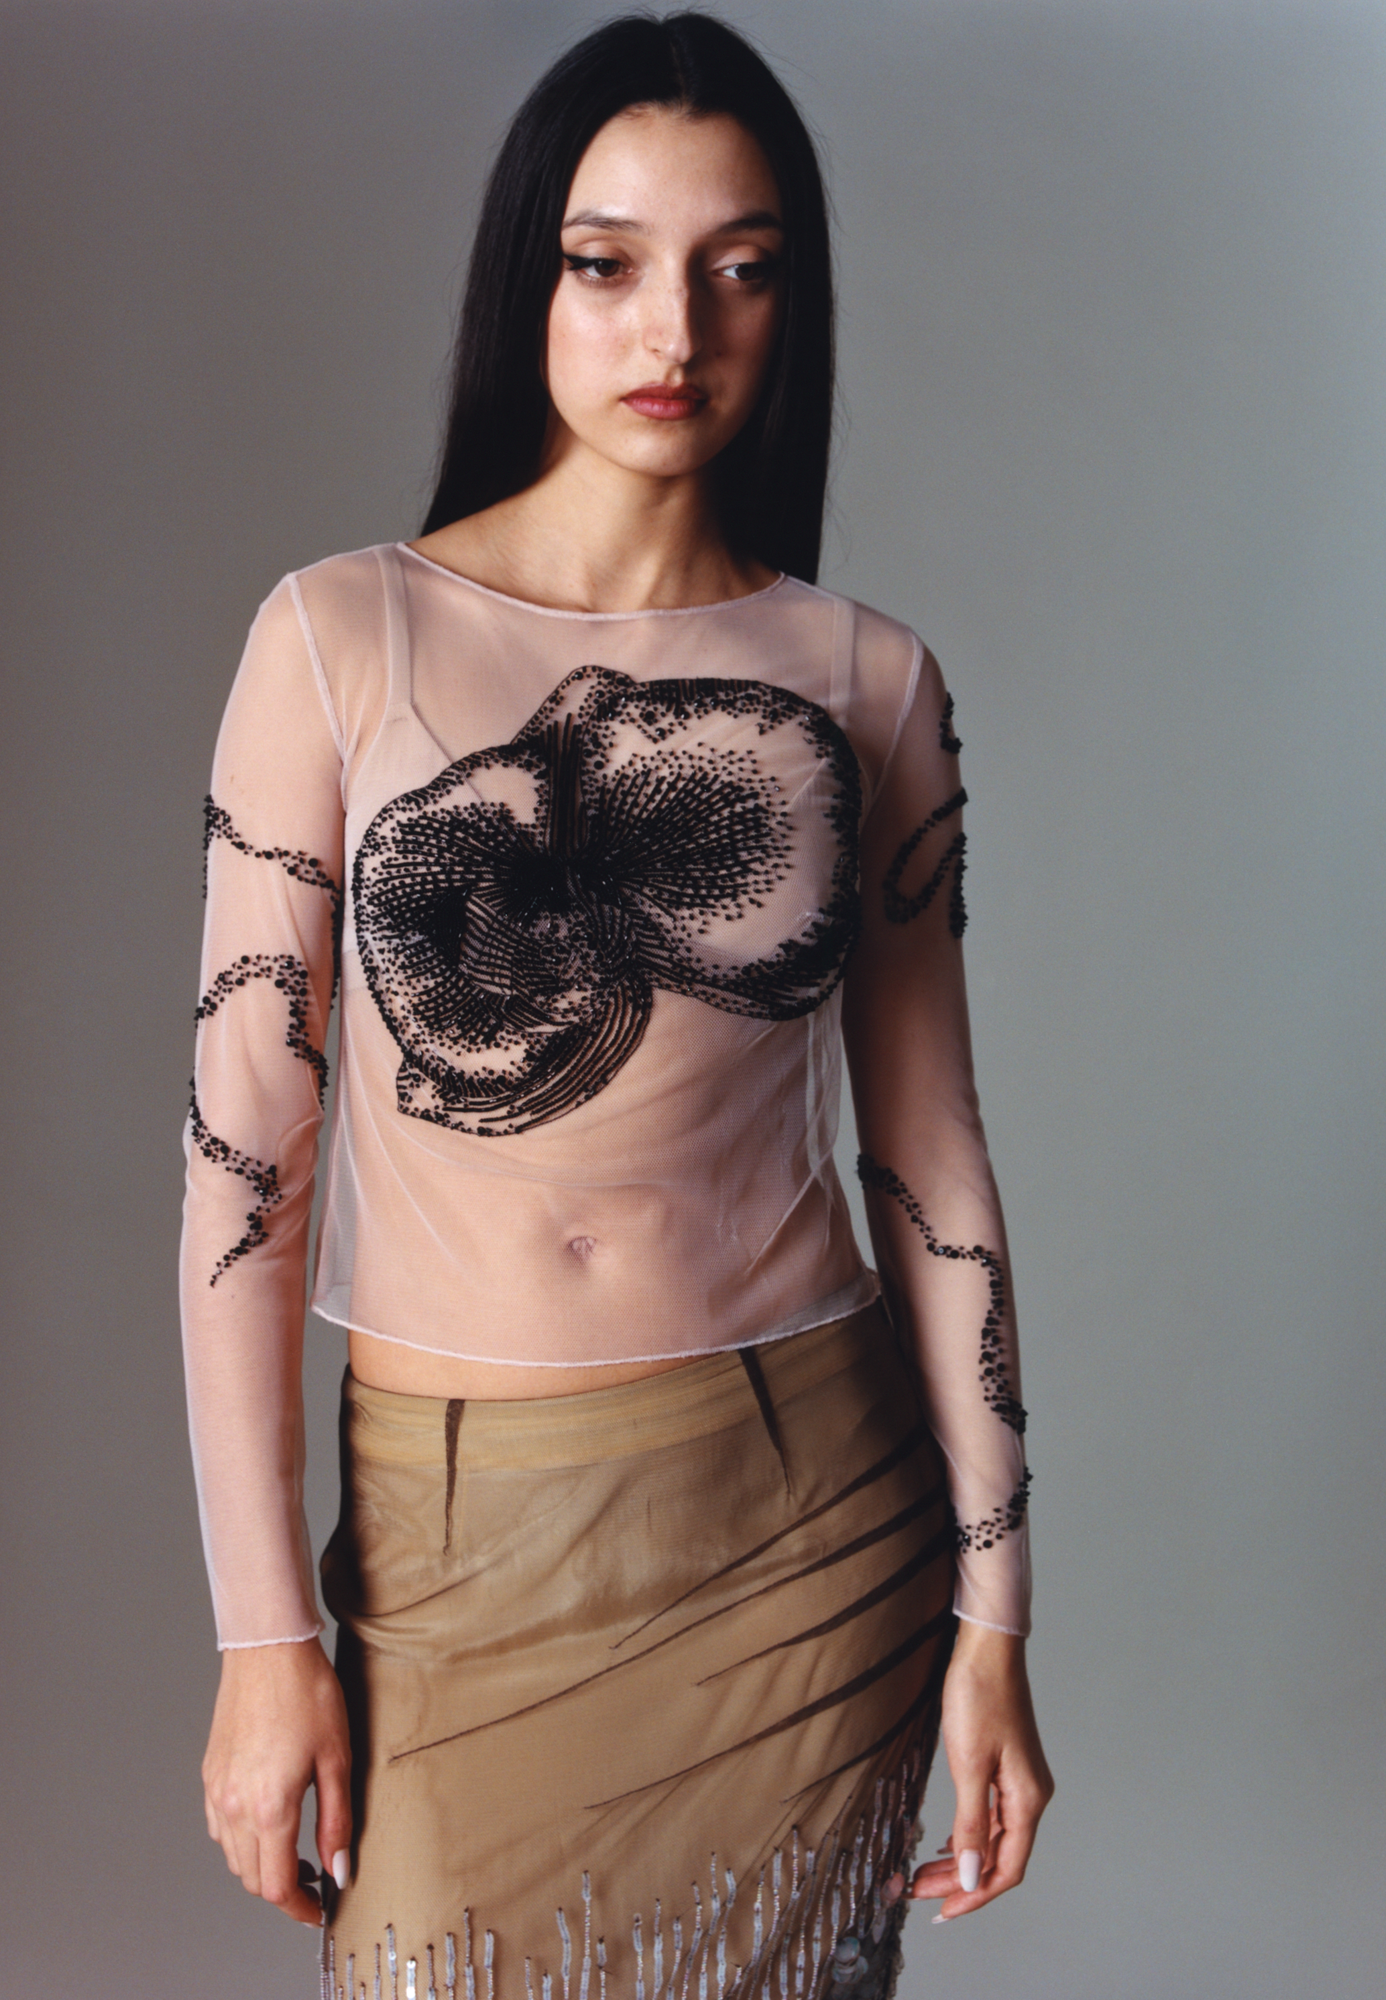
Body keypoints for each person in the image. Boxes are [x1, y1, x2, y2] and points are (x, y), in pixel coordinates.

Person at [181, 15, 1053, 1999]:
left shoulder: (868, 680)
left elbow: (934, 1160)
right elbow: (243, 1172)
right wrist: (261, 1638)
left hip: (809, 1521)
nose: (678, 326)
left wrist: (1000, 1619)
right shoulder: (339, 637)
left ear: (792, 303)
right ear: (532, 281)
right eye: (609, 262)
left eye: (742, 268)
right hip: (457, 1534)